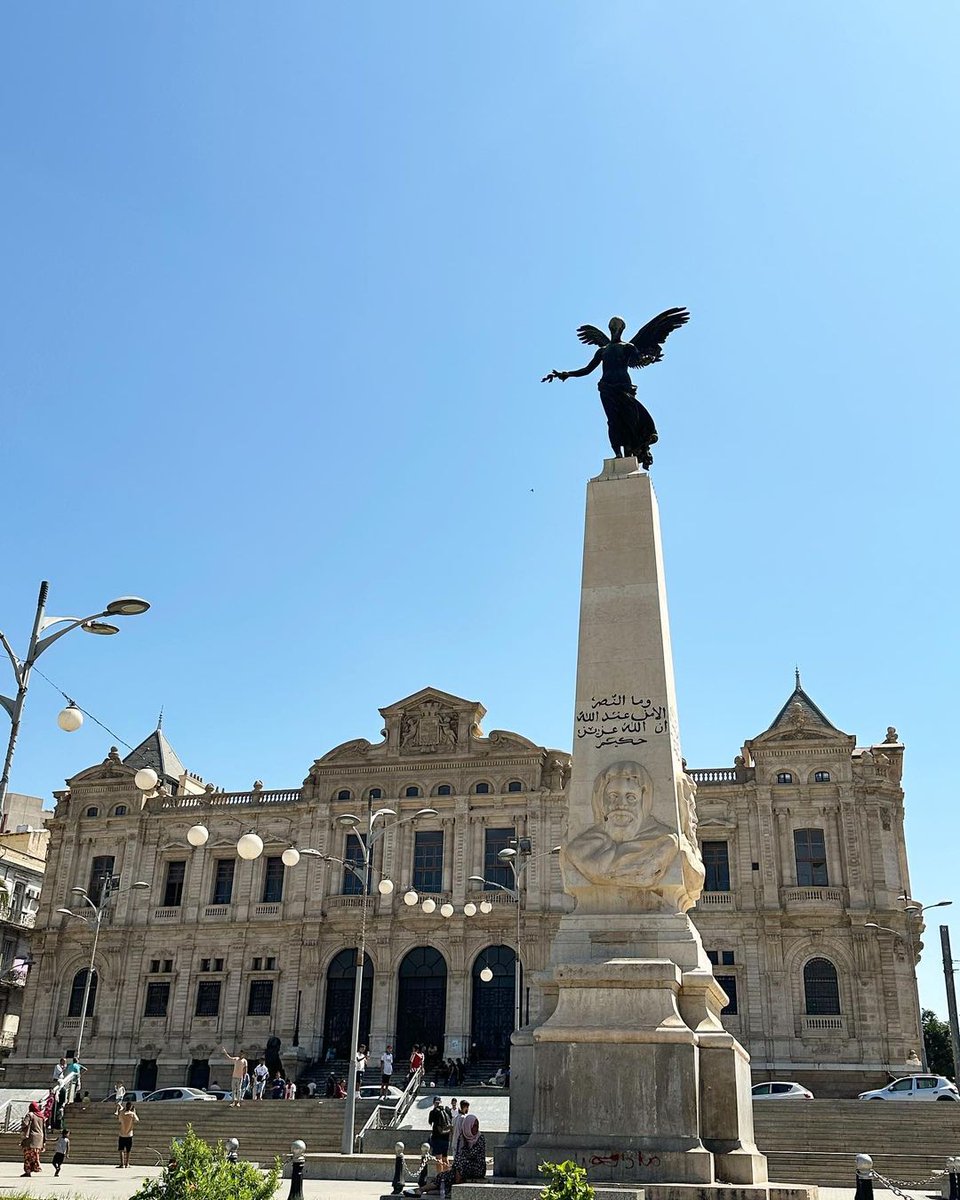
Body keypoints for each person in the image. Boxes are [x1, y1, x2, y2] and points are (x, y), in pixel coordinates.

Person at [423, 1113, 486, 1193]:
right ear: (468, 1126)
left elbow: (471, 1153)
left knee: (458, 1165)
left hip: (476, 1168)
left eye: (477, 1126)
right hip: (462, 1166)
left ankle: (452, 1190)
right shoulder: (462, 1137)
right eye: (474, 1126)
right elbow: (459, 1153)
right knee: (443, 1175)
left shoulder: (480, 1138)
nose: (476, 1128)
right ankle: (421, 1190)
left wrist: (461, 1157)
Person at [427, 1094, 453, 1169]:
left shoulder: (433, 1112)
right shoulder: (447, 1110)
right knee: (445, 1158)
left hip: (437, 1137)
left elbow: (430, 1122)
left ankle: (440, 1177)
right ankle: (447, 1176)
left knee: (438, 1159)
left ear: (434, 1103)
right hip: (446, 1138)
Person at [20, 1100, 45, 1176]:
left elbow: (25, 1124)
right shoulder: (41, 1116)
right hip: (39, 1139)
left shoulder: (30, 1115)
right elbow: (44, 1129)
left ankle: (28, 1171)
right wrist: (44, 1141)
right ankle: (35, 1167)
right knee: (34, 1155)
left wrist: (22, 1121)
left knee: (27, 1155)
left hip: (31, 1138)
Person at [116, 1097, 139, 1168]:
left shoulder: (122, 1114)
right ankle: (127, 1163)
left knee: (121, 1149)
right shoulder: (132, 1114)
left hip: (122, 1133)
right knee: (128, 1150)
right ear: (131, 1107)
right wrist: (134, 1112)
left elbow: (119, 1120)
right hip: (129, 1134)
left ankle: (122, 1163)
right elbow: (137, 1120)